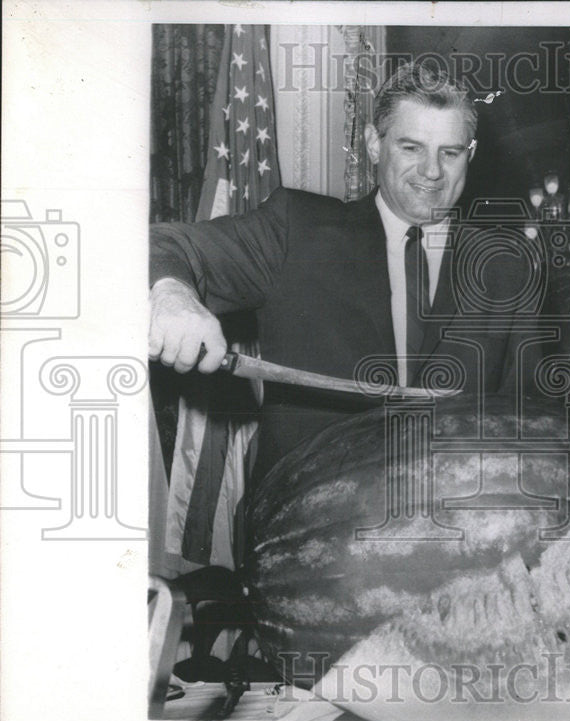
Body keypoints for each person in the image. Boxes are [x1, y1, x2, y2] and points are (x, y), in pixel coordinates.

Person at [148, 62, 532, 482]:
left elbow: (528, 420)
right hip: (302, 524)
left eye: (450, 152)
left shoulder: (507, 265)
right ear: (372, 144)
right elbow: (165, 244)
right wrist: (172, 295)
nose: (432, 171)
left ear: (469, 154)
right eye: (411, 147)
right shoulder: (296, 228)